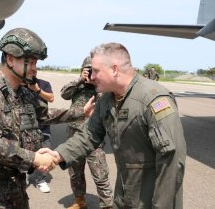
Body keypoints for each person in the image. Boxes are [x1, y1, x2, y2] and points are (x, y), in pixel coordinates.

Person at [40, 42, 187, 208]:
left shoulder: (153, 99)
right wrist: (57, 155)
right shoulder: (106, 100)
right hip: (124, 194)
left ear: (114, 69)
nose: (92, 76)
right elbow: (89, 135)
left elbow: (172, 161)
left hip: (152, 198)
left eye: (96, 71)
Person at [0, 27, 94, 209]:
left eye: (36, 63)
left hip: (17, 188)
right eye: (30, 63)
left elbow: (44, 115)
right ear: (10, 59)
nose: (34, 69)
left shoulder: (23, 93)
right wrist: (33, 158)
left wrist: (81, 111)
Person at [60, 56, 113, 209]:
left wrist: (98, 82)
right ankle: (80, 201)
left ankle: (107, 205)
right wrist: (79, 80)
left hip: (93, 137)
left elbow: (110, 102)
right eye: (88, 70)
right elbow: (64, 93)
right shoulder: (78, 85)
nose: (91, 74)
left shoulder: (102, 88)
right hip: (74, 134)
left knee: (100, 174)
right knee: (75, 173)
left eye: (94, 70)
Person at [26, 75, 54, 193]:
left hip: (44, 127)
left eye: (35, 66)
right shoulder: (21, 85)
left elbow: (51, 98)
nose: (33, 70)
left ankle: (40, 180)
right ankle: (24, 175)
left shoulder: (44, 83)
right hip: (27, 128)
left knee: (46, 154)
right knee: (26, 153)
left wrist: (37, 90)